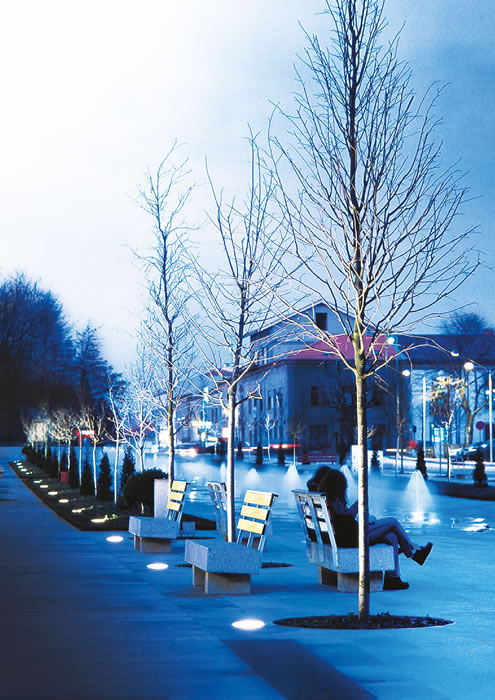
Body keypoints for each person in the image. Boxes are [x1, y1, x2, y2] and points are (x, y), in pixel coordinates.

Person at [318, 468, 433, 590]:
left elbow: (346, 518)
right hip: (353, 538)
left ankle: (393, 578)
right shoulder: (335, 499)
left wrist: (359, 505)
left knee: (391, 536)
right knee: (393, 522)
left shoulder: (329, 498)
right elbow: (348, 521)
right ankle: (414, 552)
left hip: (348, 536)